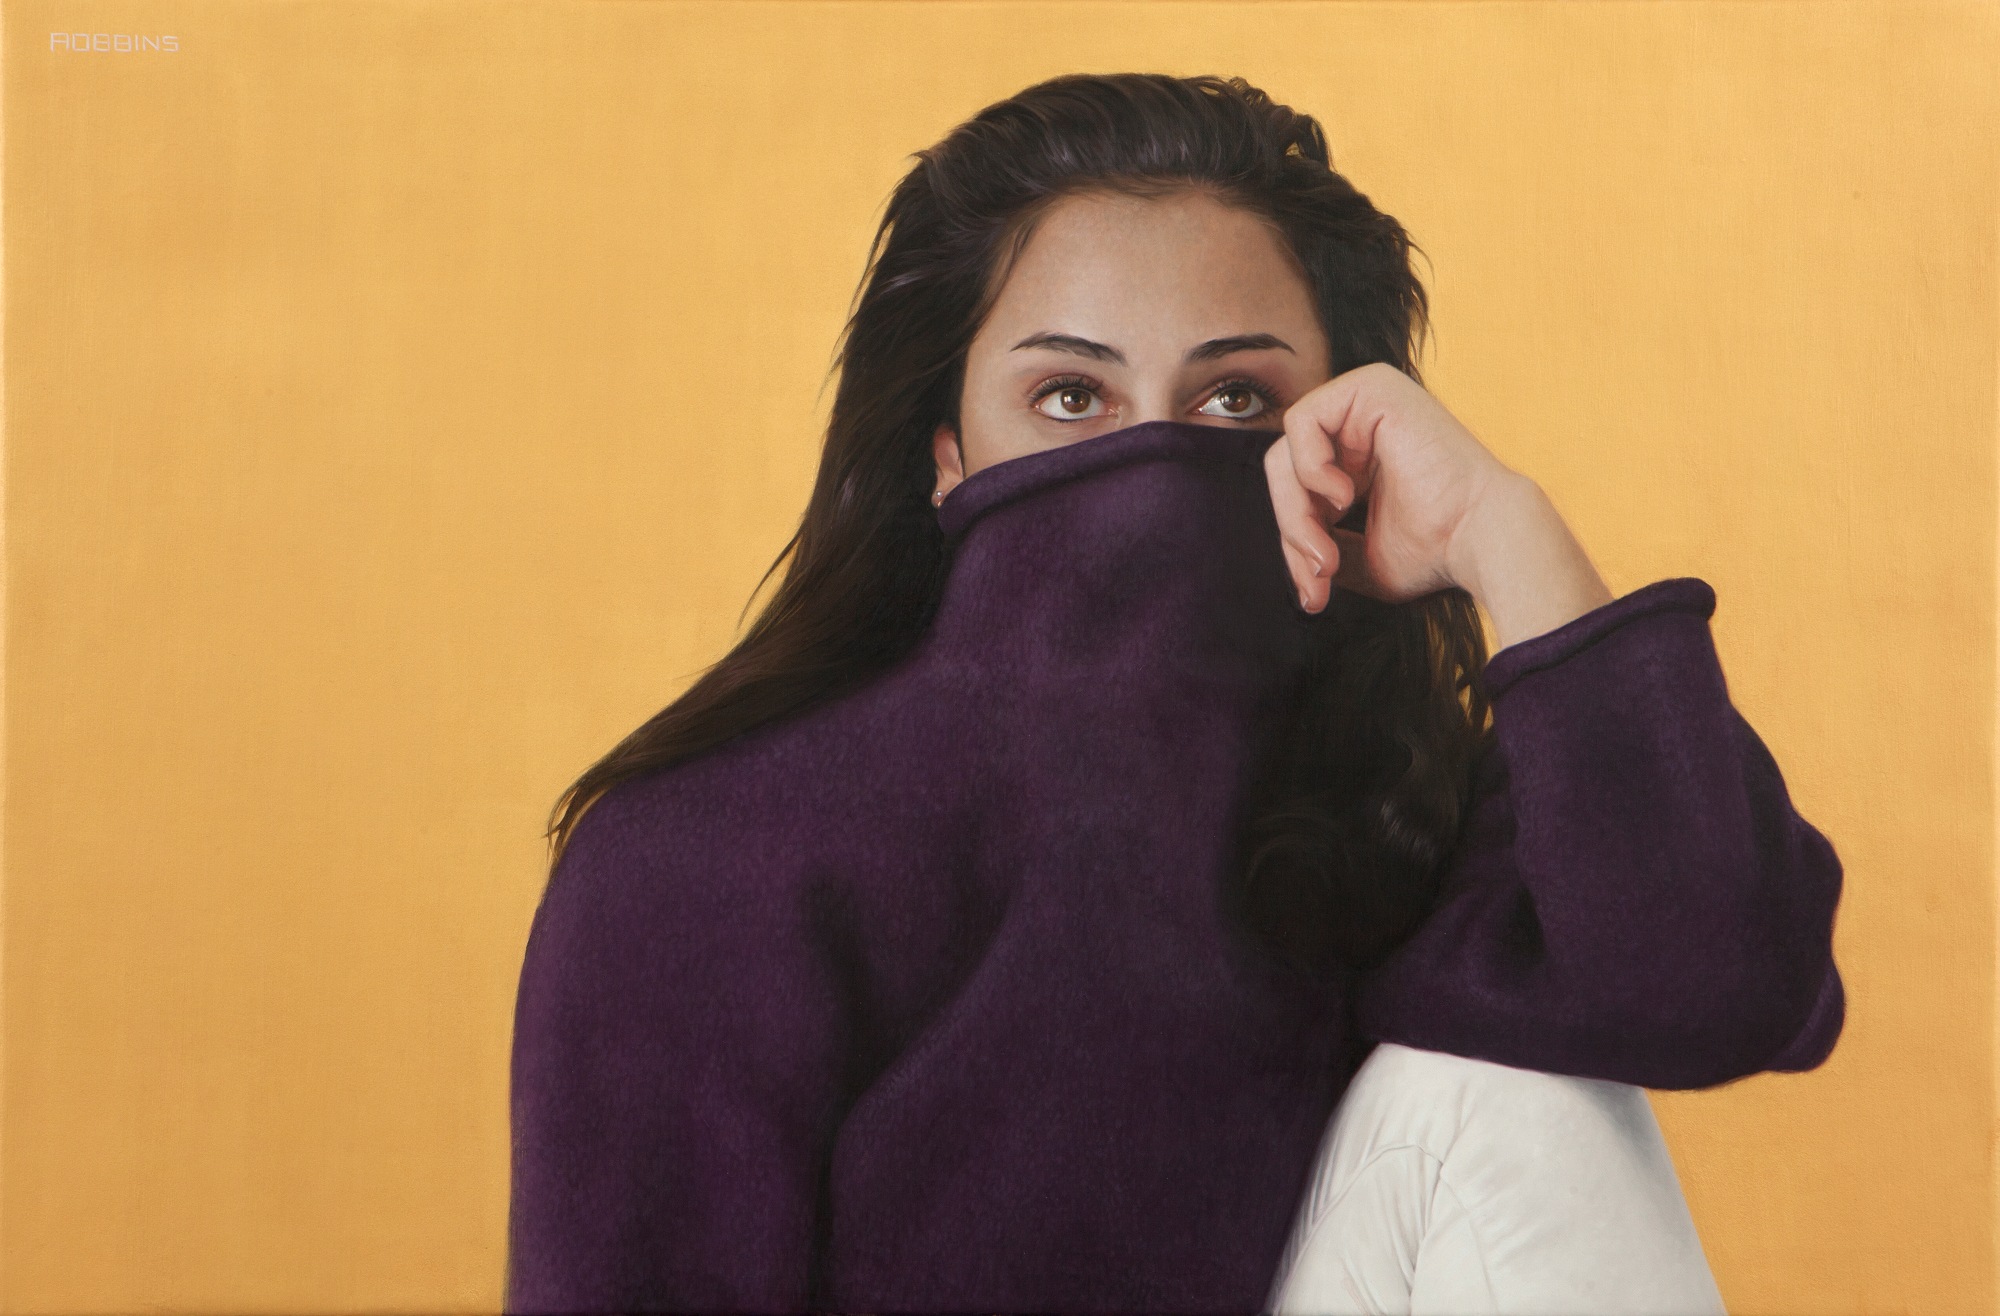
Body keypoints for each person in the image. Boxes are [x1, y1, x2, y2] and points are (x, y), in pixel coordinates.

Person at [505, 72, 1844, 1314]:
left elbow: (1712, 987)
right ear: (948, 458)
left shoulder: (1396, 804)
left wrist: (1503, 529)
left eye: (1235, 401)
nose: (1149, 459)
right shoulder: (709, 858)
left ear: (1343, 439)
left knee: (1510, 1101)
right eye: (1070, 396)